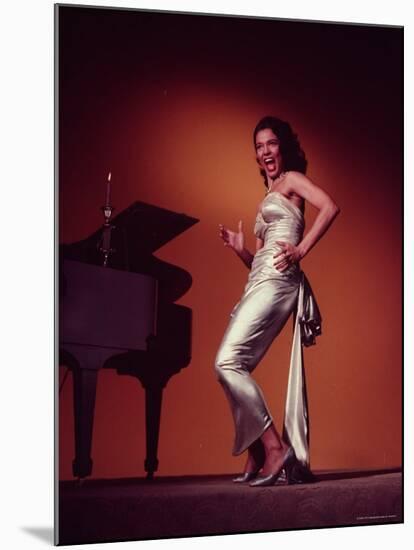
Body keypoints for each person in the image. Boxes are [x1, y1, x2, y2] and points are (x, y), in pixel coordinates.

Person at [215, 116, 340, 487]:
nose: (265, 151)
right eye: (258, 147)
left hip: (279, 280)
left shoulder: (293, 180)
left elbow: (330, 206)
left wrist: (300, 249)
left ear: (281, 146)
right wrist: (241, 252)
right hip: (260, 280)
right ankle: (257, 449)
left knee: (226, 362)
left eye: (270, 143)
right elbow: (258, 262)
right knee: (231, 366)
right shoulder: (267, 196)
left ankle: (273, 448)